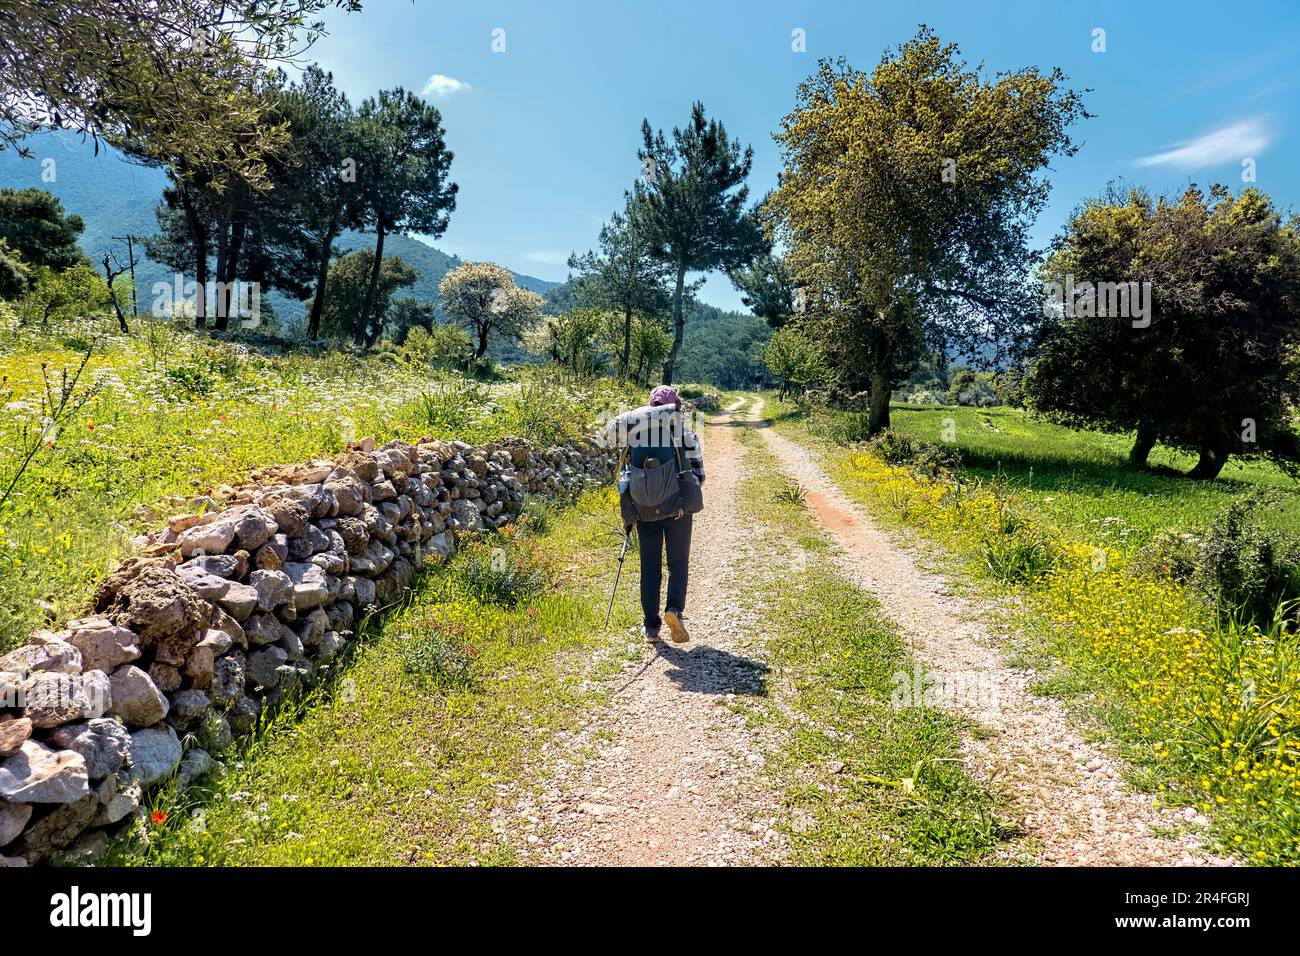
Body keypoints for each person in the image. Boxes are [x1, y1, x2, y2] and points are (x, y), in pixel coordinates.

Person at [607, 384, 705, 644]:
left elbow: (625, 473)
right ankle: (674, 610)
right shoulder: (684, 435)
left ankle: (651, 628)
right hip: (679, 510)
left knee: (650, 567)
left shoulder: (634, 435)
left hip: (644, 509)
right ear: (676, 407)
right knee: (678, 564)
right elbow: (699, 475)